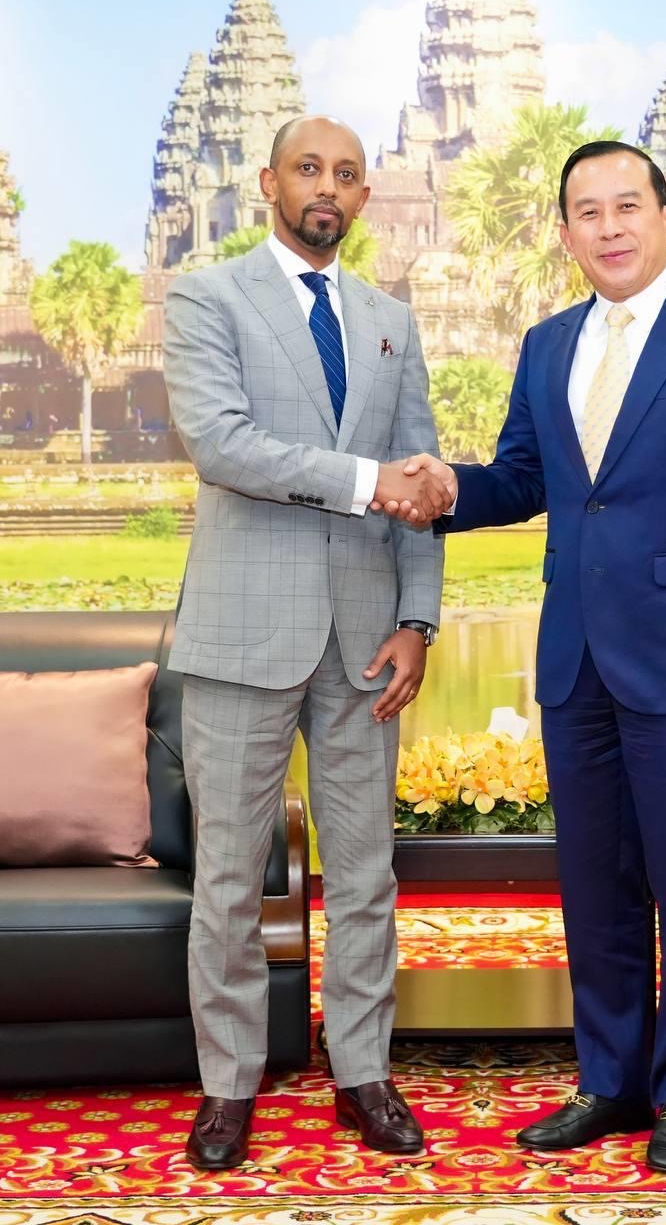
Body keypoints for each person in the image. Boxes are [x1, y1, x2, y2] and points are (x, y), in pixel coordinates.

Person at [392, 141, 666, 1172]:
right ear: (566, 233)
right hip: (576, 655)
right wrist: (450, 489)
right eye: (588, 211)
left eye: (628, 206)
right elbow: (527, 477)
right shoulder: (547, 345)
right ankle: (610, 1079)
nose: (610, 226)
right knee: (595, 885)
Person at [163, 115, 452, 1170]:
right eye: (308, 168)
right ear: (268, 181)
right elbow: (223, 444)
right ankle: (228, 1084)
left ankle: (364, 1072)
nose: (326, 186)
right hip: (242, 634)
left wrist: (417, 619)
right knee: (231, 879)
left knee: (365, 874)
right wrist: (368, 480)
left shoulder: (389, 320)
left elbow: (420, 476)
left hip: (366, 642)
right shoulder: (207, 297)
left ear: (365, 196)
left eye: (346, 173)